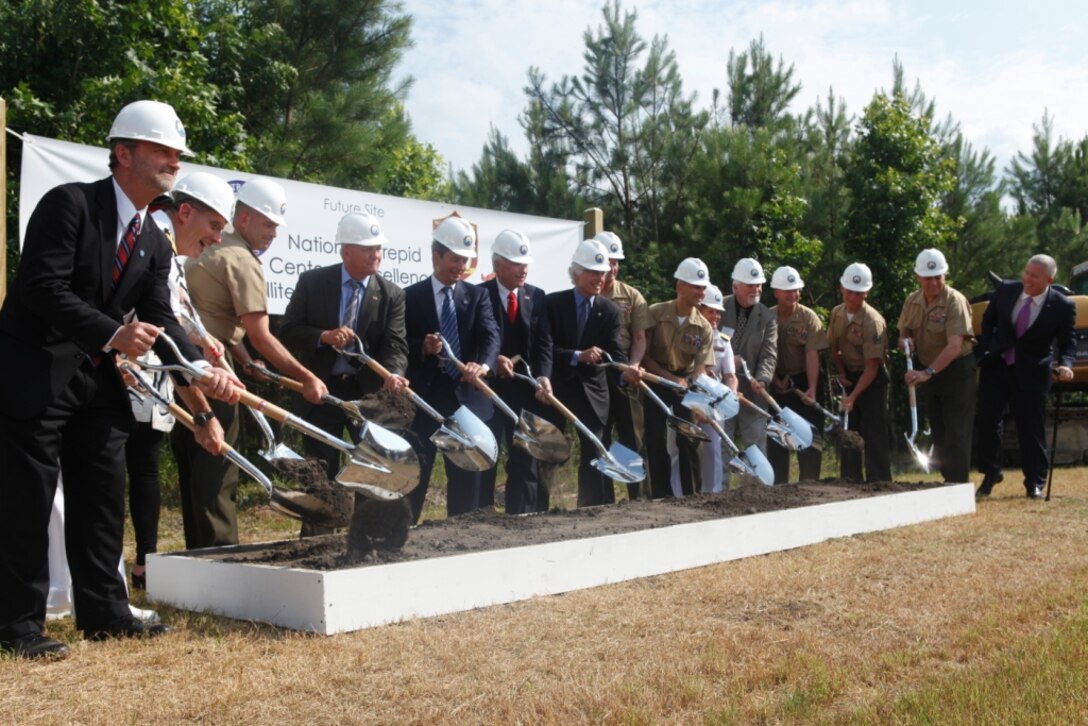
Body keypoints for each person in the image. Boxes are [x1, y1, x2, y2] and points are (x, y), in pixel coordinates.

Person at [0, 100, 236, 658]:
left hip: (96, 382)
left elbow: (162, 321)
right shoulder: (69, 204)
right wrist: (112, 333)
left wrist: (199, 369)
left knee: (103, 497)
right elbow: (40, 288)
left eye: (177, 155)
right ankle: (17, 626)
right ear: (123, 153)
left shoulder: (154, 241)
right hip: (34, 369)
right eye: (161, 152)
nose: (173, 163)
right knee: (27, 502)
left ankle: (104, 612)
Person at [179, 177, 328, 549]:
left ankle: (195, 557)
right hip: (210, 369)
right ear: (243, 219)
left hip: (183, 361)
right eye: (268, 223)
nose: (274, 233)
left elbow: (213, 315)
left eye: (277, 226)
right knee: (218, 466)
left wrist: (244, 358)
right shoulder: (241, 260)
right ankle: (221, 555)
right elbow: (261, 334)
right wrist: (307, 376)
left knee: (194, 466)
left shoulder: (212, 247)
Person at [127, 171, 237, 587]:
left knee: (141, 468)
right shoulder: (151, 239)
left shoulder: (168, 248)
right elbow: (163, 329)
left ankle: (135, 570)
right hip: (113, 373)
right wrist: (204, 413)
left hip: (140, 371)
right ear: (185, 211)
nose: (216, 239)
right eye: (213, 227)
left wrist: (205, 341)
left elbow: (177, 314)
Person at [278, 212, 409, 530]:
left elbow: (396, 344)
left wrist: (393, 373)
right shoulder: (314, 282)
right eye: (367, 249)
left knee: (373, 470)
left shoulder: (391, 294)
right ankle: (316, 540)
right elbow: (288, 329)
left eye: (378, 248)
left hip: (367, 396)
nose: (375, 255)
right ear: (345, 250)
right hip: (322, 392)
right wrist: (323, 337)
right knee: (321, 471)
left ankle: (365, 539)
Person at [403, 216, 500, 521]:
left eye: (466, 260)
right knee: (415, 473)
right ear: (436, 256)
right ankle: (403, 533)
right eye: (455, 259)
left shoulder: (478, 296)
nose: (460, 267)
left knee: (466, 480)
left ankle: (462, 538)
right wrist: (423, 346)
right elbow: (399, 341)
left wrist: (481, 365)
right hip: (424, 401)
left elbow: (491, 336)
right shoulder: (409, 297)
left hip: (467, 402)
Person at [975, 254, 1076, 498]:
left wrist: (1067, 365)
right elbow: (987, 322)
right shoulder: (1006, 290)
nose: (1028, 279)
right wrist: (988, 347)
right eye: (1027, 273)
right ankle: (991, 474)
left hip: (1032, 371)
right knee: (988, 421)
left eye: (1035, 276)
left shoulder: (1062, 305)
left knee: (1030, 428)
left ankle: (1034, 482)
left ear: (1049, 279)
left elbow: (1067, 342)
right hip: (998, 366)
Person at [545, 238, 627, 507]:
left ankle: (593, 510)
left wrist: (626, 373)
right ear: (576, 273)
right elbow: (544, 350)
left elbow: (615, 353)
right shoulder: (553, 305)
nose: (600, 278)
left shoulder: (610, 311)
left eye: (603, 273)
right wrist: (576, 356)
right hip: (555, 390)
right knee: (547, 450)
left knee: (595, 450)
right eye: (594, 272)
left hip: (593, 393)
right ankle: (537, 510)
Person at [479, 230, 554, 513]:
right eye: (515, 263)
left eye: (525, 264)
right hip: (489, 394)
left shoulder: (536, 297)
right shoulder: (479, 294)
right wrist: (492, 359)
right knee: (487, 456)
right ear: (497, 265)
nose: (523, 270)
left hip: (525, 394)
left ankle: (521, 519)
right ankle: (481, 517)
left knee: (525, 459)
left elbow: (543, 344)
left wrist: (544, 376)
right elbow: (477, 339)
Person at [898, 249, 977, 485]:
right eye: (927, 277)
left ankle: (959, 484)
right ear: (917, 277)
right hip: (929, 373)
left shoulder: (955, 301)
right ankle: (948, 482)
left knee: (957, 432)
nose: (933, 282)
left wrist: (927, 372)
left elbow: (954, 346)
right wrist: (905, 341)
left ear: (945, 275)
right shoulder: (912, 301)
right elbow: (903, 332)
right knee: (940, 431)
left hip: (956, 371)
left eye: (938, 276)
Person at [641, 258, 715, 498]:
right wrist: (666, 377)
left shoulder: (703, 327)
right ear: (680, 286)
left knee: (689, 437)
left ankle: (692, 495)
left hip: (685, 384)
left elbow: (700, 369)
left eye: (703, 287)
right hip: (655, 380)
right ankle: (660, 495)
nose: (700, 292)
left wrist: (699, 397)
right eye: (695, 286)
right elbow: (644, 356)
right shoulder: (656, 312)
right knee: (655, 437)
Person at [666, 284, 738, 494]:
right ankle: (678, 493)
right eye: (710, 311)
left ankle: (713, 493)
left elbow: (730, 375)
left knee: (713, 449)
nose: (715, 316)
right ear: (700, 310)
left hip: (714, 403)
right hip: (684, 397)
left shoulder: (724, 341)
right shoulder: (685, 331)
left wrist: (730, 396)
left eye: (718, 312)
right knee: (677, 447)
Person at [597, 231, 652, 501]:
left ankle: (640, 497)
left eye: (616, 262)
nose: (612, 268)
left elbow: (641, 338)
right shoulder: (585, 291)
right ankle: (601, 499)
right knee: (599, 438)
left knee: (634, 439)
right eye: (608, 261)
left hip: (625, 376)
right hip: (594, 376)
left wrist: (634, 365)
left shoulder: (632, 296)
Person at [827, 263, 891, 482]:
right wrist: (843, 376)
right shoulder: (837, 314)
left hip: (872, 380)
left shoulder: (873, 321)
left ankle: (879, 482)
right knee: (849, 432)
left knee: (873, 433)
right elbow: (835, 349)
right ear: (841, 289)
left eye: (858, 292)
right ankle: (850, 481)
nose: (852, 297)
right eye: (849, 291)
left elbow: (872, 367)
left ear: (866, 292)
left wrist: (853, 397)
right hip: (851, 376)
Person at [719, 258, 778, 486]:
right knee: (722, 445)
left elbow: (769, 354)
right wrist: (725, 363)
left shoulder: (767, 317)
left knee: (755, 445)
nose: (756, 289)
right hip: (723, 391)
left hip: (753, 393)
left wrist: (762, 379)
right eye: (750, 285)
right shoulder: (719, 308)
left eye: (759, 285)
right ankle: (718, 494)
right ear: (735, 287)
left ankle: (756, 494)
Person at [767, 266, 826, 484]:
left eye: (796, 290)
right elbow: (765, 354)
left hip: (803, 381)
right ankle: (779, 487)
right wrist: (774, 380)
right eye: (787, 290)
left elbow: (812, 355)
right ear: (776, 292)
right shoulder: (766, 316)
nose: (793, 294)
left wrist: (811, 388)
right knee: (776, 438)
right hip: (776, 383)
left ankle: (809, 487)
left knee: (808, 438)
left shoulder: (809, 318)